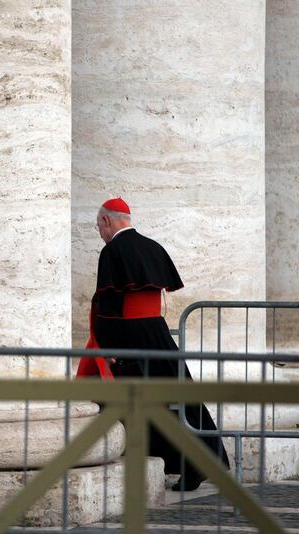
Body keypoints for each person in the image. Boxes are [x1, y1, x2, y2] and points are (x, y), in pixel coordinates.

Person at [80, 197, 229, 491]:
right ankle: (206, 460)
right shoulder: (153, 246)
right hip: (157, 334)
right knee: (179, 398)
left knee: (135, 402)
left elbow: (108, 305)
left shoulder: (112, 252)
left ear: (108, 221)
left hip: (128, 337)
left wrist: (106, 347)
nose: (99, 231)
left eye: (98, 225)